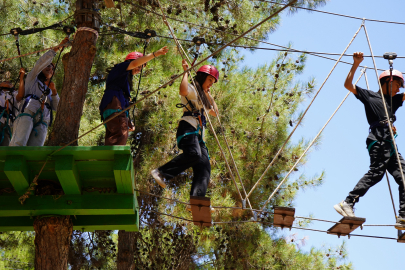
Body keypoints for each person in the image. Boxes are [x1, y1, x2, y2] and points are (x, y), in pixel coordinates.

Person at [334, 51, 405, 230]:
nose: (398, 90)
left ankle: (403, 216)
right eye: (397, 85)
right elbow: (348, 85)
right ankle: (347, 203)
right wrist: (356, 63)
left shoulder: (394, 101)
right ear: (388, 82)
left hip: (390, 143)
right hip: (379, 140)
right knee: (376, 173)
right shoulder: (370, 96)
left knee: (404, 177)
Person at [151, 60, 219, 206]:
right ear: (202, 77)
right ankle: (161, 173)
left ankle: (196, 200)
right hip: (188, 128)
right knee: (194, 154)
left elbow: (215, 112)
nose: (211, 83)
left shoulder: (203, 98)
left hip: (198, 136)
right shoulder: (193, 90)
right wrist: (186, 73)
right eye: (209, 80)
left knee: (204, 166)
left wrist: (209, 93)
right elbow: (182, 91)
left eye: (213, 82)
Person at [99, 46, 169, 146]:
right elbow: (134, 63)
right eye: (139, 66)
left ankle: (108, 159)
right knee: (120, 135)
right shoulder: (122, 67)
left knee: (115, 137)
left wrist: (127, 122)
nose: (139, 69)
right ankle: (113, 160)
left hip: (112, 108)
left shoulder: (123, 79)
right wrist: (155, 54)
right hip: (114, 106)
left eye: (141, 68)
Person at [9, 38, 69, 146]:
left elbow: (57, 107)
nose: (49, 68)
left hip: (43, 118)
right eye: (47, 66)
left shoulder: (50, 90)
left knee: (35, 150)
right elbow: (40, 63)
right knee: (19, 143)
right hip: (28, 110)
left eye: (52, 68)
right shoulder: (32, 78)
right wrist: (56, 49)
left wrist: (54, 91)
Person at [0, 68, 26, 146]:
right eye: (5, 81)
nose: (8, 82)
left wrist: (21, 77)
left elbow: (21, 95)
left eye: (10, 83)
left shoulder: (14, 94)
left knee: (4, 146)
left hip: (7, 123)